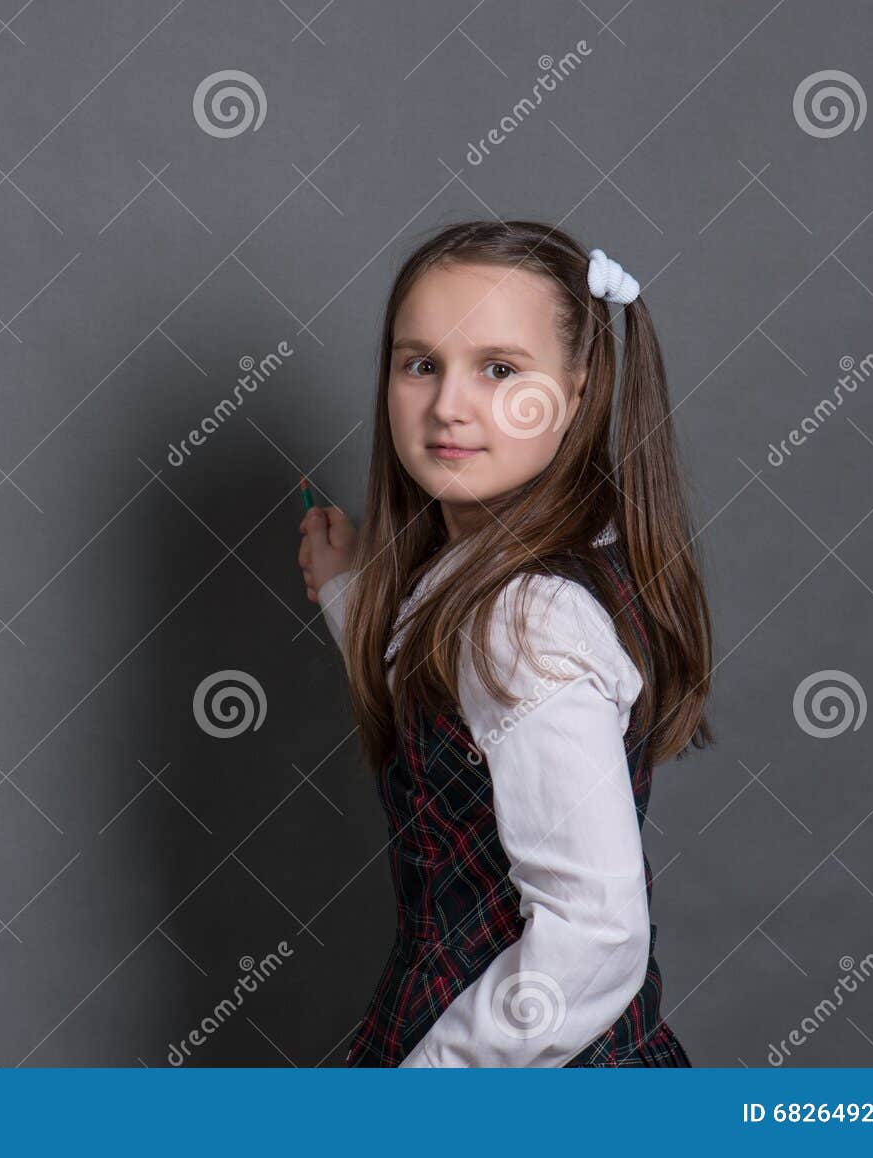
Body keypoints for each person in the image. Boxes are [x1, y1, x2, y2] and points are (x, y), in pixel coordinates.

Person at [296, 219, 714, 1067]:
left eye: (499, 370)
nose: (449, 404)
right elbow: (459, 732)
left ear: (579, 389)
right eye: (421, 364)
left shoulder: (527, 617)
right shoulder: (519, 571)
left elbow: (595, 935)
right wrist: (351, 597)